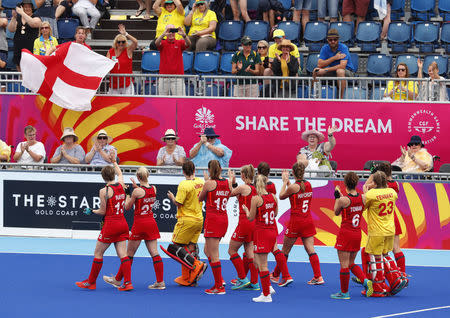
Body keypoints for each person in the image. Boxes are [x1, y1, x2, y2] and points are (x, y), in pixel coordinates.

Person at [103, 167, 165, 290]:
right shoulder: (154, 188)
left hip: (140, 223)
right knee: (155, 253)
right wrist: (137, 187)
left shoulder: (137, 192)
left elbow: (127, 207)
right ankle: (160, 281)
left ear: (138, 177)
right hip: (151, 223)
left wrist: (127, 193)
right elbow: (145, 194)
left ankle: (118, 280)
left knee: (128, 254)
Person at [76, 157, 133, 291]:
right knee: (123, 255)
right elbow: (120, 173)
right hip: (123, 223)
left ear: (103, 177)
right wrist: (114, 161)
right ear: (112, 174)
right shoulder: (120, 184)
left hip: (111, 225)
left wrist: (91, 210)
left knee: (98, 253)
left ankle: (91, 282)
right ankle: (128, 283)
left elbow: (102, 211)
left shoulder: (104, 191)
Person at [276, 162, 324, 285]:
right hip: (307, 221)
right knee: (310, 249)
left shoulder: (293, 187)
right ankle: (318, 276)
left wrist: (284, 182)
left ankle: (278, 276)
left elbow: (281, 196)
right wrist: (288, 183)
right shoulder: (308, 185)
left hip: (296, 222)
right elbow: (297, 190)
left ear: (293, 173)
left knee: (285, 250)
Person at [362, 171, 408, 297]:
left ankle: (379, 287)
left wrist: (366, 190)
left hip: (377, 231)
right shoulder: (392, 192)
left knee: (375, 259)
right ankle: (396, 278)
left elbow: (363, 205)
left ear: (375, 182)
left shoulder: (371, 194)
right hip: (390, 230)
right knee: (386, 255)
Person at [164, 160, 207, 286]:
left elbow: (179, 203)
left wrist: (172, 197)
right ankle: (189, 277)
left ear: (183, 171)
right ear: (194, 170)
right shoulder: (200, 182)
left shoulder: (184, 185)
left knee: (176, 246)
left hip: (186, 219)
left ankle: (196, 265)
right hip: (199, 218)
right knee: (190, 247)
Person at [331, 172, 373, 300]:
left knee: (344, 265)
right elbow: (357, 205)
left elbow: (336, 212)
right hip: (357, 233)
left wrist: (337, 198)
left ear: (345, 184)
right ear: (356, 183)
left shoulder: (343, 200)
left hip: (345, 233)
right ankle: (365, 281)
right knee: (351, 263)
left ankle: (344, 293)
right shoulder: (364, 198)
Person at [198, 160, 232, 294]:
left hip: (213, 219)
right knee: (207, 251)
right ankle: (219, 280)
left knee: (214, 254)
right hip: (223, 218)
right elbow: (228, 194)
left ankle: (219, 286)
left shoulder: (209, 183)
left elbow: (200, 198)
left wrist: (206, 182)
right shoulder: (227, 183)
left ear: (210, 170)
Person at [242, 175, 278, 303]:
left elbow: (251, 218)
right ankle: (267, 286)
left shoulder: (256, 199)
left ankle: (266, 295)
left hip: (262, 232)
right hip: (272, 231)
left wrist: (246, 210)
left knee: (262, 264)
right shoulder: (273, 197)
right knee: (257, 261)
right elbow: (276, 213)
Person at [228, 165, 260, 290]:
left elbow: (230, 193)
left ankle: (242, 278)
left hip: (244, 223)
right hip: (253, 223)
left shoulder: (243, 187)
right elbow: (239, 196)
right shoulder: (254, 188)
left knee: (231, 250)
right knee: (249, 252)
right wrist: (235, 184)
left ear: (243, 175)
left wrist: (231, 181)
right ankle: (255, 282)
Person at [314, 28, 356, 99]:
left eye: (335, 40)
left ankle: (341, 99)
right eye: (330, 40)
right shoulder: (325, 48)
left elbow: (342, 66)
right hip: (332, 71)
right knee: (316, 71)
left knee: (339, 71)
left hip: (347, 71)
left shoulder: (343, 48)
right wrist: (334, 58)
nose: (333, 41)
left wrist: (325, 70)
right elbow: (320, 64)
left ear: (338, 40)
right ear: (327, 40)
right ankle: (315, 96)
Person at [155, 24, 190, 96]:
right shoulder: (163, 43)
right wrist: (163, 34)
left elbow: (188, 44)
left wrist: (184, 35)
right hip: (164, 77)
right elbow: (157, 43)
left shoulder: (180, 42)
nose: (171, 33)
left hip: (178, 77)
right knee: (162, 101)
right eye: (169, 31)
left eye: (173, 31)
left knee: (180, 101)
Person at [8, 0, 41, 71]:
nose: (27, 8)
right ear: (22, 7)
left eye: (29, 7)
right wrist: (14, 17)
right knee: (20, 73)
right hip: (19, 49)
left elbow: (33, 24)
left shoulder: (36, 16)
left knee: (31, 72)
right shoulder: (18, 18)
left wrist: (22, 13)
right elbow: (11, 29)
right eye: (25, 7)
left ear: (32, 8)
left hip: (31, 49)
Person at [107, 24, 138, 95]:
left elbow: (135, 42)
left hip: (126, 84)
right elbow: (106, 64)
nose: (121, 44)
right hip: (114, 84)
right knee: (113, 104)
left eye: (123, 42)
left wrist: (125, 34)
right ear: (115, 42)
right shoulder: (110, 51)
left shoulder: (128, 50)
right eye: (119, 42)